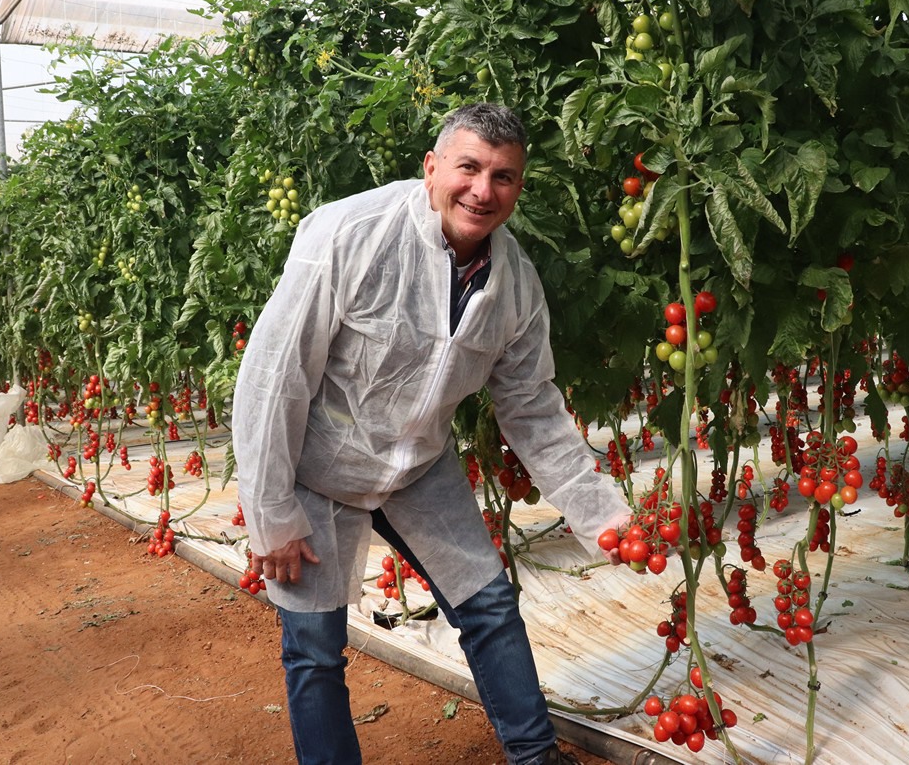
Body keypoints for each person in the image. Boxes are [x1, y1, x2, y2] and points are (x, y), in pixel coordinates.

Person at [233, 102, 632, 765]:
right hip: (315, 464)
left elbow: (531, 406)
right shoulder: (351, 234)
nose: (482, 190)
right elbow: (274, 376)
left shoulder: (514, 283)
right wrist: (271, 511)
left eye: (503, 176)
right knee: (314, 650)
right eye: (468, 167)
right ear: (431, 167)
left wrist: (604, 516)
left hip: (417, 464)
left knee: (488, 605)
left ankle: (536, 758)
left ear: (518, 187)